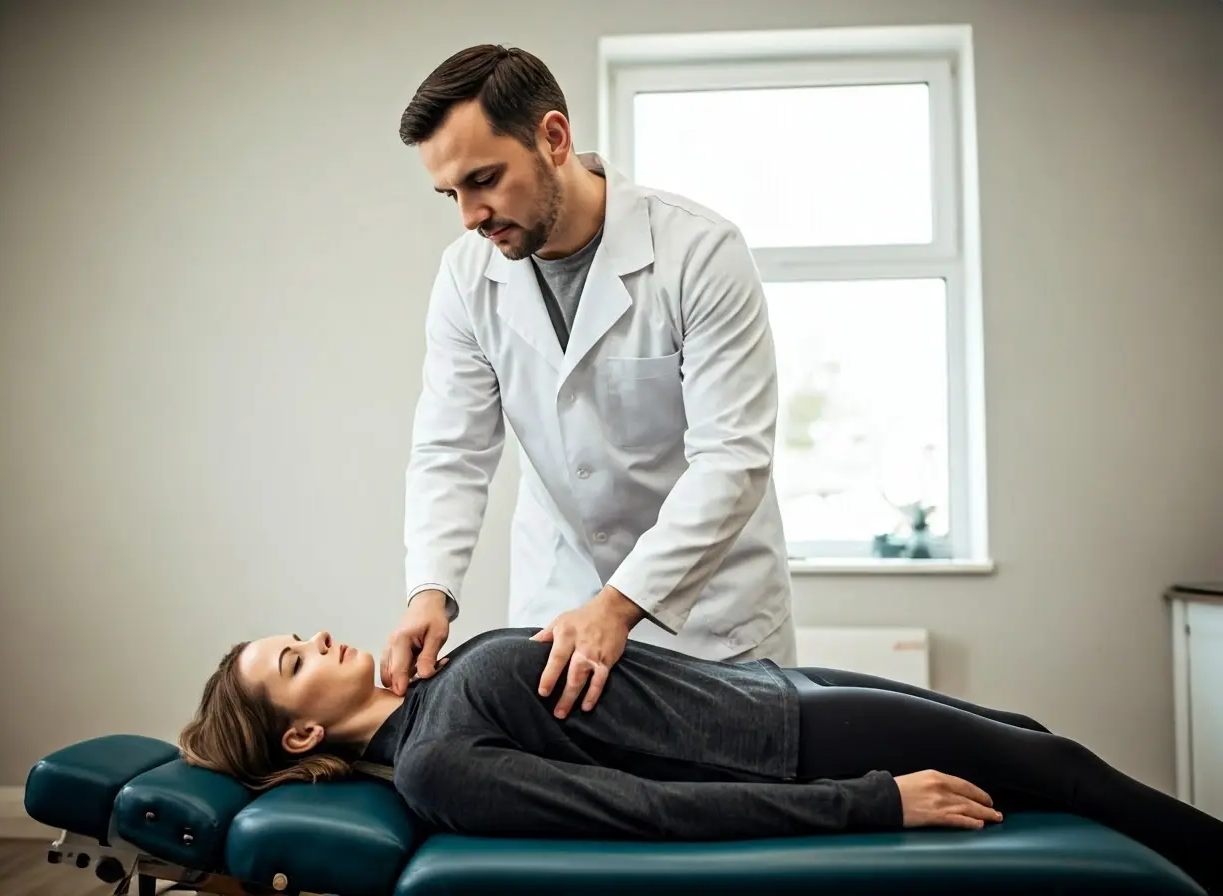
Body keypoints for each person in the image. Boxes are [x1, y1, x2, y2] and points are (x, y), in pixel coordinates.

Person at [384, 42, 796, 717]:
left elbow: (733, 460)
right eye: (451, 193)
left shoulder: (700, 254)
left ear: (553, 137)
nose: (469, 216)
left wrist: (619, 605)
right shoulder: (466, 278)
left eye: (484, 179)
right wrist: (428, 590)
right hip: (561, 602)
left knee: (733, 805)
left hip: (712, 616)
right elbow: (450, 451)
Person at [179, 628, 1222, 894]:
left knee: (1033, 734)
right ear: (301, 733)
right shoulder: (436, 762)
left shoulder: (433, 686)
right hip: (795, 742)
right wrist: (868, 803)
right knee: (1067, 767)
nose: (318, 638)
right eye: (293, 657)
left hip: (780, 688)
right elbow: (637, 808)